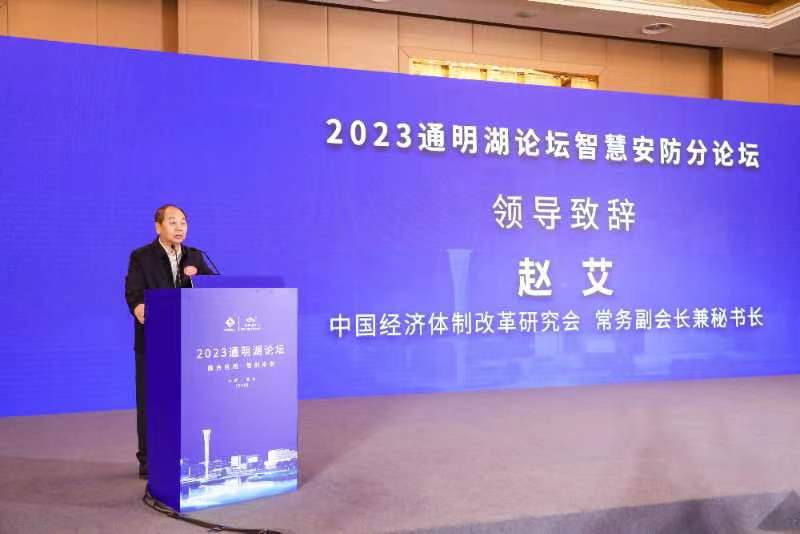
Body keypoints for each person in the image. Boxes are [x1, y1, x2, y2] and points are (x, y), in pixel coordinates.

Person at [124, 204, 214, 478]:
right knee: (151, 402)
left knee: (189, 401)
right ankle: (149, 461)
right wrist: (139, 307)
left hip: (189, 342)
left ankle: (186, 457)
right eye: (173, 222)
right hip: (154, 341)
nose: (179, 227)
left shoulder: (195, 256)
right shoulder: (142, 256)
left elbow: (214, 290)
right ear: (158, 226)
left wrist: (201, 280)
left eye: (183, 222)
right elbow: (133, 292)